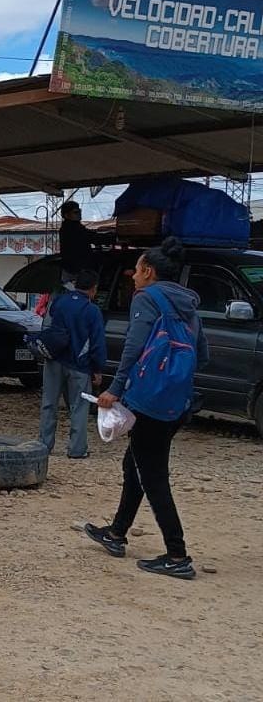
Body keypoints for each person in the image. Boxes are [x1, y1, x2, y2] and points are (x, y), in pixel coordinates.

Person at [84, 237, 208, 580]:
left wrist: (114, 389)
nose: (133, 276)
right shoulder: (189, 305)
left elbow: (133, 348)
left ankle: (177, 555)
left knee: (153, 477)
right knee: (135, 465)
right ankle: (116, 533)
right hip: (177, 402)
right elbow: (204, 354)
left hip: (149, 402)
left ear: (149, 271)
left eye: (136, 270)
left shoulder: (148, 299)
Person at [37, 268, 105, 459]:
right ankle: (77, 449)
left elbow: (47, 324)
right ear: (93, 289)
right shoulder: (92, 311)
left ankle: (44, 445)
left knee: (49, 403)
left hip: (54, 358)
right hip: (79, 364)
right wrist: (98, 368)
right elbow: (97, 343)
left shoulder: (59, 302)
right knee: (79, 407)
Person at [59, 201, 111, 284]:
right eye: (76, 212)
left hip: (72, 270)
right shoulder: (72, 229)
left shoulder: (70, 228)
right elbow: (92, 237)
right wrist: (112, 237)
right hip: (77, 271)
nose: (79, 214)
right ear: (66, 215)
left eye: (80, 211)